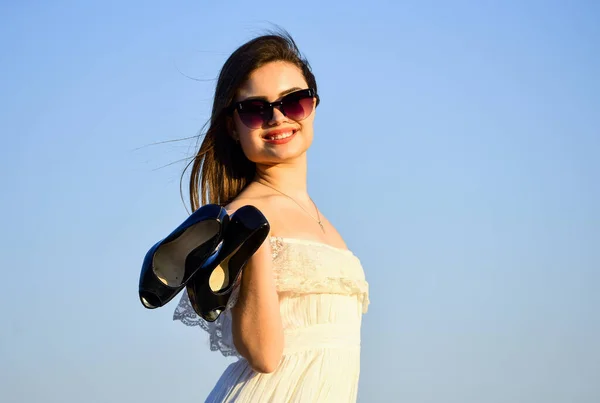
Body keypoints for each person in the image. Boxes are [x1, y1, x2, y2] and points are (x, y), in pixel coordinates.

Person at [172, 30, 370, 402]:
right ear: (232, 125)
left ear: (313, 104)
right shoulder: (237, 217)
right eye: (255, 108)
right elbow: (263, 355)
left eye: (293, 101)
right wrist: (253, 238)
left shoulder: (320, 219)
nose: (277, 117)